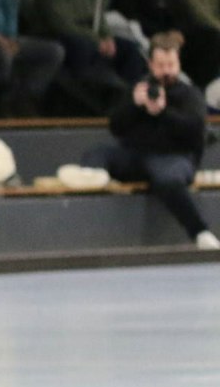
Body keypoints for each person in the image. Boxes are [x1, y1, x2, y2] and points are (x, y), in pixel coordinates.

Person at [66, 33, 218, 249]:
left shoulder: (190, 95)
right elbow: (116, 127)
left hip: (174, 157)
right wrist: (135, 106)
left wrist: (163, 112)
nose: (166, 71)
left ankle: (200, 232)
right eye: (160, 65)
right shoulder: (138, 90)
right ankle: (89, 221)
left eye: (171, 65)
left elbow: (195, 133)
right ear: (150, 64)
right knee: (95, 154)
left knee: (167, 179)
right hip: (136, 155)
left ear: (178, 64)